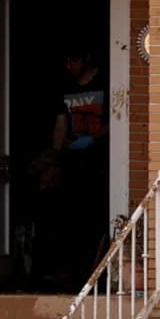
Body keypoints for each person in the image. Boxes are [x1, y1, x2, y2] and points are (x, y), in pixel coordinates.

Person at [37, 46, 111, 286]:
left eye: (74, 60)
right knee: (70, 217)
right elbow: (60, 126)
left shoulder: (108, 82)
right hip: (72, 163)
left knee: (95, 216)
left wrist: (95, 138)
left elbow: (120, 117)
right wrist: (54, 161)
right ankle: (73, 274)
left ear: (87, 58)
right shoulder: (64, 87)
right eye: (66, 61)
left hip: (100, 162)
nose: (70, 66)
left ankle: (98, 275)